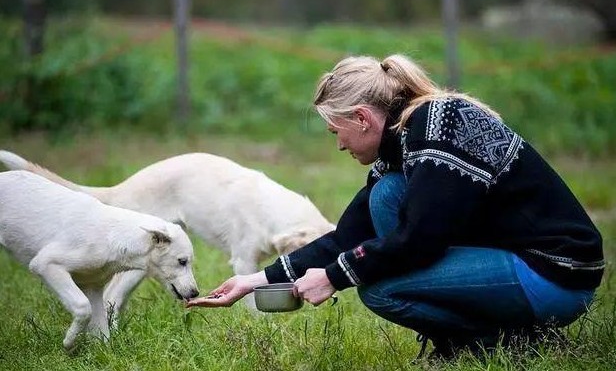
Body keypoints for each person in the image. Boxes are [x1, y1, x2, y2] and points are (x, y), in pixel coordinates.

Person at [186, 54, 604, 358]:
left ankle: (507, 342)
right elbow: (349, 234)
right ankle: (485, 338)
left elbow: (421, 240)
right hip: (512, 258)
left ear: (363, 118)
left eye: (338, 130)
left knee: (382, 289)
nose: (338, 144)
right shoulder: (402, 141)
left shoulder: (437, 128)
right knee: (386, 195)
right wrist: (255, 280)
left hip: (556, 275)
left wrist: (334, 276)